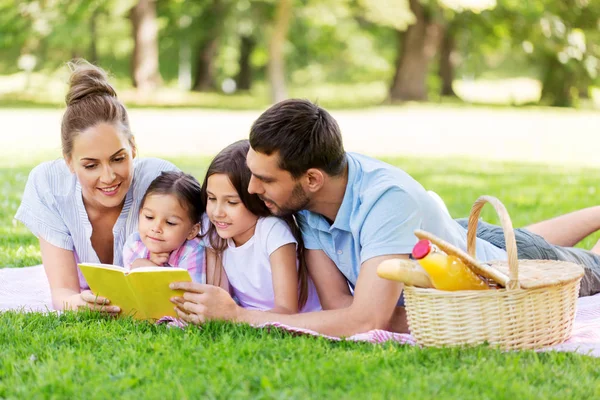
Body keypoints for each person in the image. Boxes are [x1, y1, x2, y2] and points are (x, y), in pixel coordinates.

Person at [170, 99, 600, 336]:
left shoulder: (387, 200)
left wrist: (240, 316)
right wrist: (375, 311)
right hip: (455, 237)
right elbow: (340, 306)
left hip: (499, 265)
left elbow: (363, 320)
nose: (253, 190)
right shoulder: (309, 204)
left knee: (587, 267)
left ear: (312, 178)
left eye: (264, 179)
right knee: (523, 235)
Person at [14, 60, 178, 313]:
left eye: (118, 158)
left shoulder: (161, 181)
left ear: (133, 147)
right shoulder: (49, 184)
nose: (108, 177)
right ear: (69, 161)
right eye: (91, 166)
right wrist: (80, 303)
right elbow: (64, 293)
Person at [200, 139, 320, 313]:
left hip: (301, 317)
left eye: (232, 202)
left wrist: (237, 316)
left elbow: (287, 310)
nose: (217, 212)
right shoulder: (216, 232)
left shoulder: (272, 231)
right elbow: (220, 298)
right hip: (249, 317)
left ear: (256, 198)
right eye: (211, 198)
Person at [123, 171, 206, 283]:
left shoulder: (193, 250)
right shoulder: (134, 243)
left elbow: (189, 295)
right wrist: (141, 266)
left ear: (192, 231)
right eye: (149, 217)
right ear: (140, 213)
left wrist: (153, 270)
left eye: (170, 223)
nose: (156, 228)